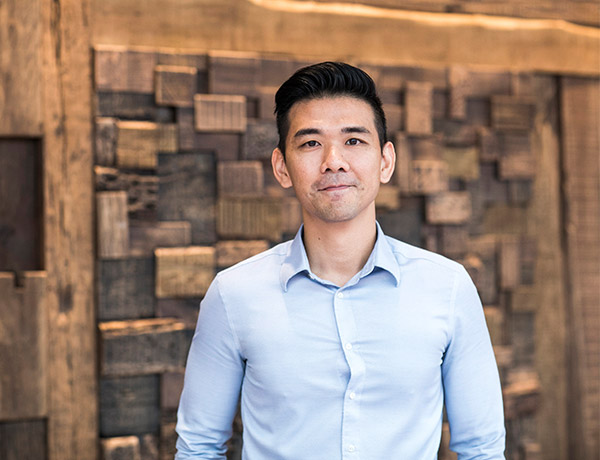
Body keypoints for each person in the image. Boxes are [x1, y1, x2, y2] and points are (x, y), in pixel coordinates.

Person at [175, 62, 505, 459]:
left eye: (354, 141)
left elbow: (482, 450)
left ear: (385, 161)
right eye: (311, 143)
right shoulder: (233, 295)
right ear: (282, 167)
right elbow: (198, 449)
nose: (334, 161)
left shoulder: (447, 287)